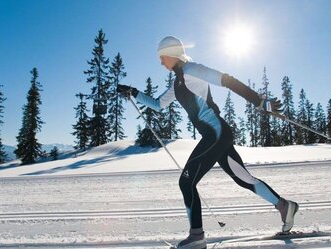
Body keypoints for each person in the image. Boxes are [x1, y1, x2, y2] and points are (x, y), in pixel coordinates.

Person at [117, 36, 299, 249]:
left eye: (162, 57)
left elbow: (227, 80)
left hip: (216, 133)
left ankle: (196, 237)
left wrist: (259, 101)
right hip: (216, 136)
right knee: (243, 178)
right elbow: (157, 105)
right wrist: (134, 93)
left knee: (186, 182)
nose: (160, 62)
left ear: (172, 53)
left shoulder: (192, 70)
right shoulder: (177, 83)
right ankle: (285, 206)